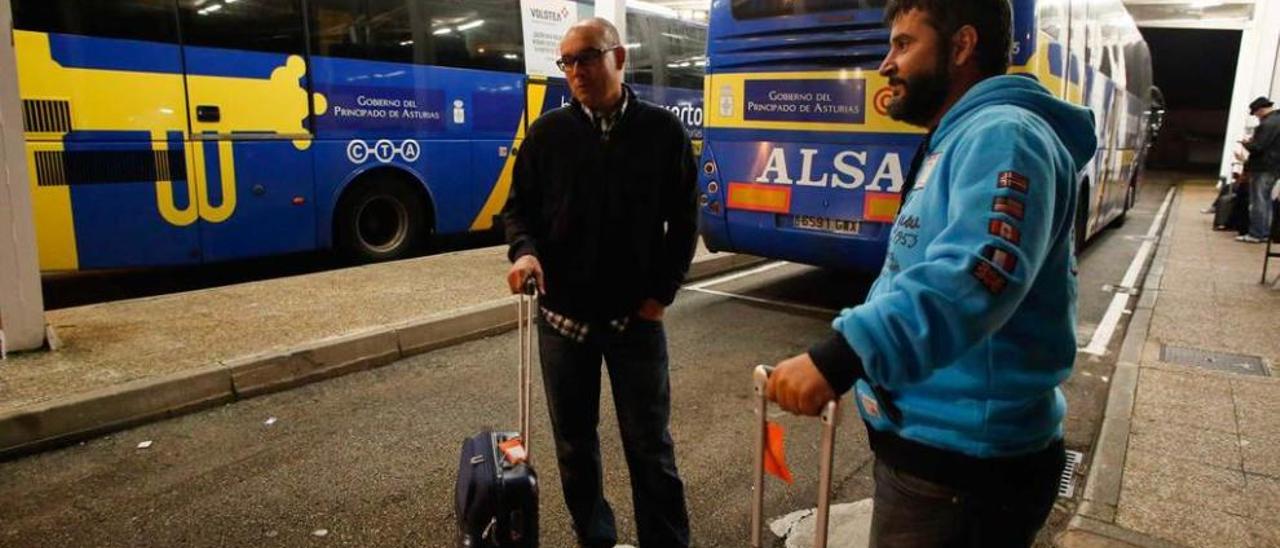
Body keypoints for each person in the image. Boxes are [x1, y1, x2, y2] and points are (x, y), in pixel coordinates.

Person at [765, 0, 1097, 546]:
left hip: (963, 471)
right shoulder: (961, 137)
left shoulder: (1004, 136)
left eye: (903, 44)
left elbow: (975, 276)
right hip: (936, 456)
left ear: (962, 46)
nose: (884, 64)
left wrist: (842, 355)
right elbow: (913, 269)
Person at [501, 17, 697, 548]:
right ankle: (596, 539)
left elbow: (684, 221)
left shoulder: (662, 132)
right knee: (574, 447)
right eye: (567, 62)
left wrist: (662, 294)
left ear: (620, 57)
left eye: (587, 57)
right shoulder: (547, 135)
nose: (576, 71)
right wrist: (526, 255)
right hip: (562, 322)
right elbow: (518, 213)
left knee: (650, 447)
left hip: (636, 320)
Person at [1238, 97, 1280, 243]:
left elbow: (1258, 147)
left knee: (1258, 200)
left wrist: (1246, 144)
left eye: (1256, 113)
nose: (1256, 116)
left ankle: (1257, 233)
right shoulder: (1277, 120)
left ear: (1260, 110)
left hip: (1263, 167)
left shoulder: (1267, 124)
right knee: (1266, 200)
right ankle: (1264, 232)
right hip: (1274, 166)